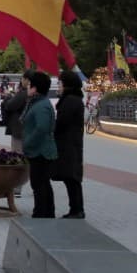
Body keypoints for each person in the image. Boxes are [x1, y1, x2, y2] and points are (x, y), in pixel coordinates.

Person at [21, 71, 58, 219]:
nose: (27, 88)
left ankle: (42, 213)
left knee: (40, 184)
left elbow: (42, 128)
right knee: (41, 183)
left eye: (29, 85)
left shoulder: (41, 105)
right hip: (39, 150)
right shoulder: (38, 103)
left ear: (35, 88)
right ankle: (45, 212)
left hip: (41, 151)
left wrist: (28, 143)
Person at [52, 70, 85, 219]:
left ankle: (77, 210)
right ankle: (75, 209)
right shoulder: (73, 99)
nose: (58, 86)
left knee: (71, 178)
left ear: (66, 84)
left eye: (59, 83)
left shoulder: (70, 100)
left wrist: (52, 128)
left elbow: (62, 122)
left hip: (69, 144)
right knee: (70, 178)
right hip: (70, 143)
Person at [1, 74, 30, 153]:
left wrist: (8, 96)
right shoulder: (33, 94)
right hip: (27, 130)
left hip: (19, 129)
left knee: (18, 154)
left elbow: (9, 106)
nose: (21, 80)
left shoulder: (24, 93)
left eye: (22, 79)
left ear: (27, 80)